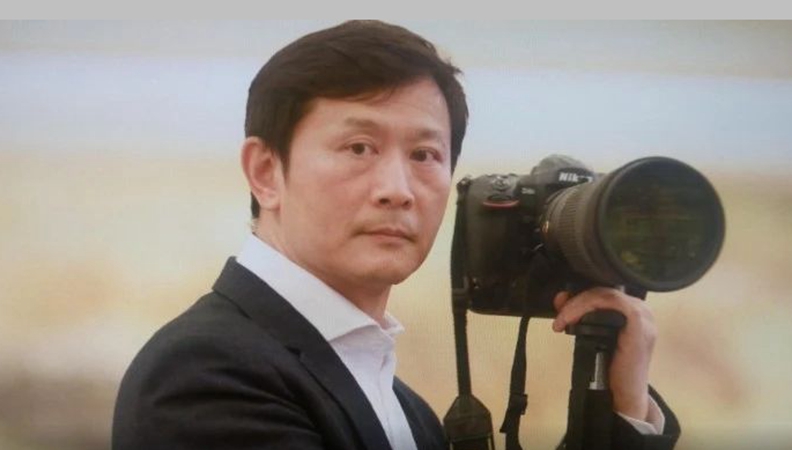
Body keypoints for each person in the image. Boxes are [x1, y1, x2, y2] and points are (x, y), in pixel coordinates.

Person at [112, 20, 680, 450]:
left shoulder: (406, 409)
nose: (397, 189)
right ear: (265, 172)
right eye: (359, 147)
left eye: (424, 155)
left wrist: (620, 403)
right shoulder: (206, 373)